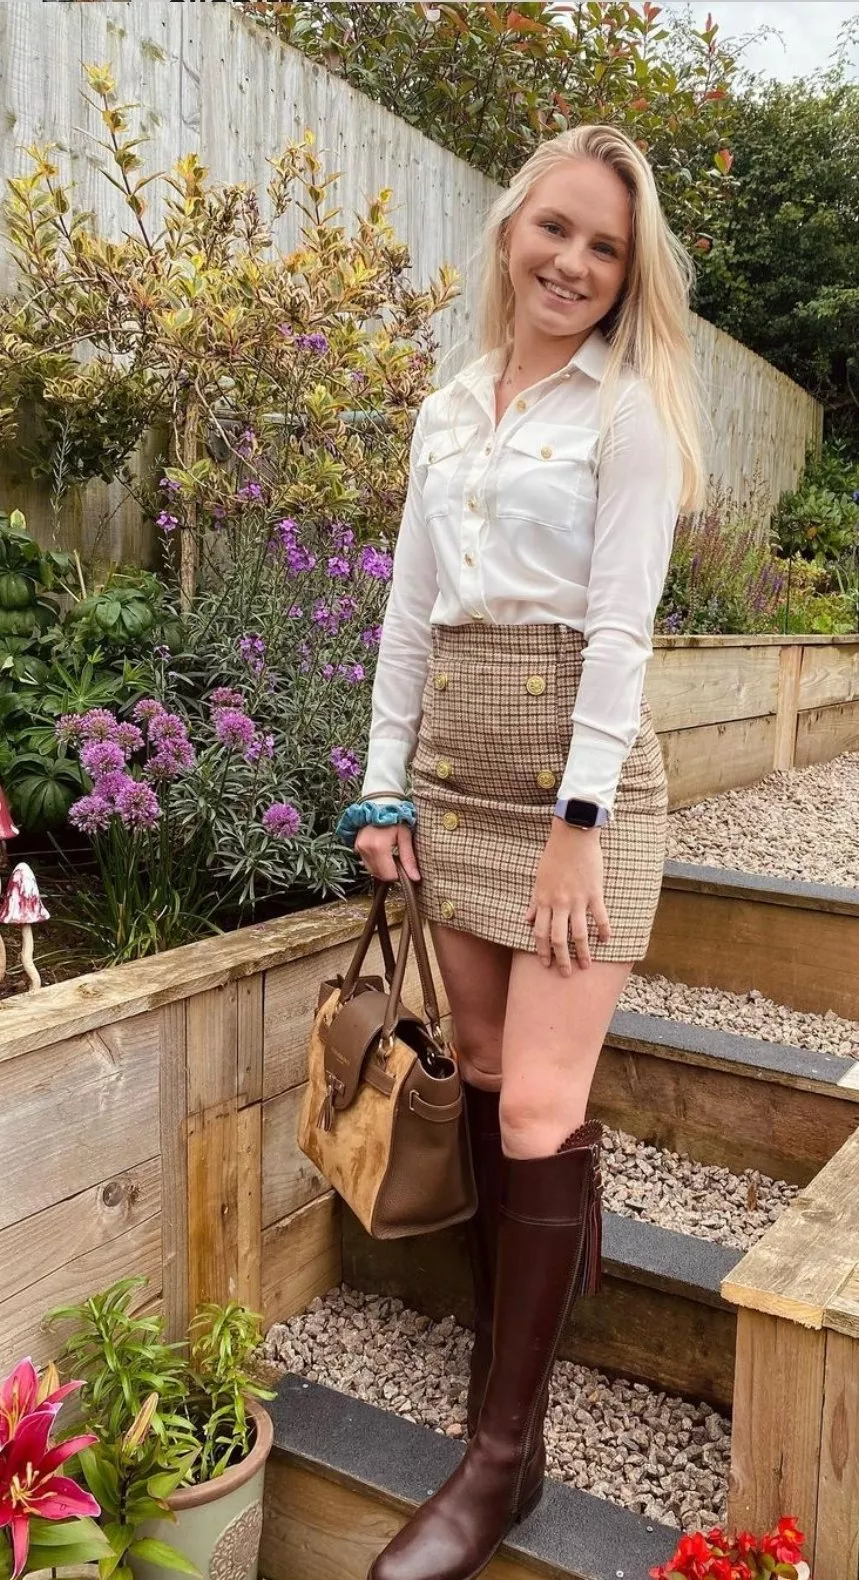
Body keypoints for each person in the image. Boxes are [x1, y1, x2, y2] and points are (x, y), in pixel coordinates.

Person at [336, 122, 706, 1580]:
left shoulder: (628, 416)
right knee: (486, 1082)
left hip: (570, 793)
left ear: (626, 276)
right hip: (453, 778)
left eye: (604, 246)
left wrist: (578, 832)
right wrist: (382, 791)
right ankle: (520, 1372)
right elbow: (407, 612)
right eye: (555, 228)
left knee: (541, 1108)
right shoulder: (445, 410)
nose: (571, 260)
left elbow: (619, 635)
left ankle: (498, 1460)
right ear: (510, 230)